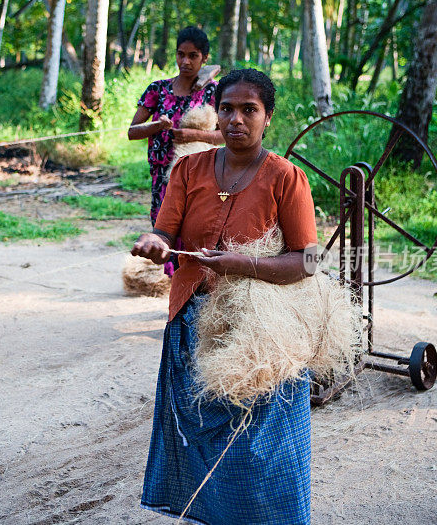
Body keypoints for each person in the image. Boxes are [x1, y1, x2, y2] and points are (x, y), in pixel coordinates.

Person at [131, 69, 319, 524]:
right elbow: (164, 229)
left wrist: (242, 265)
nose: (236, 119)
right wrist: (154, 242)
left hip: (260, 336)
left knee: (257, 448)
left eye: (249, 110)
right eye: (228, 109)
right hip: (193, 323)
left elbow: (307, 261)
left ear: (267, 117)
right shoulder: (189, 169)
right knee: (197, 437)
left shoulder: (285, 178)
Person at [128, 26, 223, 276]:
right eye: (181, 54)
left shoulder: (213, 91)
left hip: (200, 175)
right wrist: (157, 125)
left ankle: (195, 285)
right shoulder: (158, 89)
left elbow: (226, 135)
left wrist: (194, 135)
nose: (185, 61)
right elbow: (132, 131)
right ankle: (175, 285)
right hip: (163, 177)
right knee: (165, 232)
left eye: (193, 56)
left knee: (196, 230)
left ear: (204, 58)